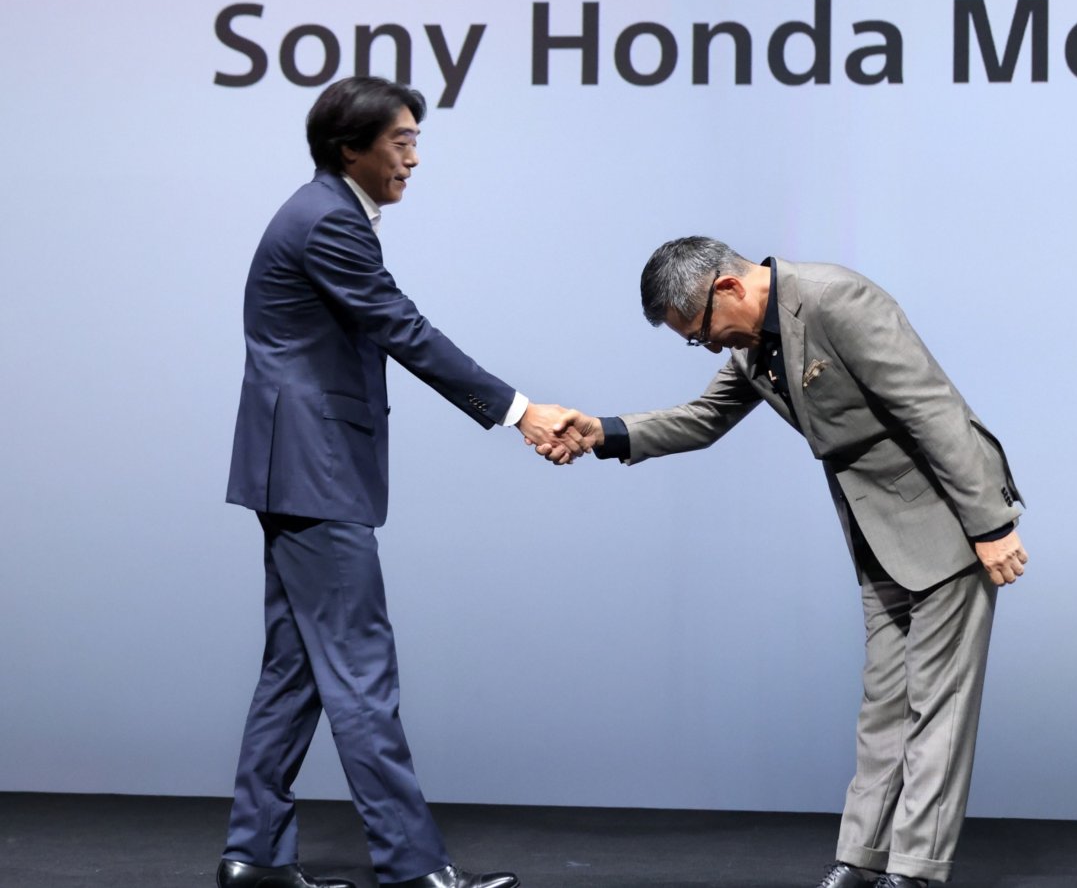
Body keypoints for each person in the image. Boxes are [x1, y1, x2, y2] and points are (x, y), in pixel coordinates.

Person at [547, 237, 1028, 887]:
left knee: (937, 705)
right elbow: (704, 419)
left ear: (727, 288)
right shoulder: (754, 345)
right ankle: (861, 860)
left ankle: (915, 871)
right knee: (884, 704)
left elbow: (931, 408)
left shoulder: (835, 300)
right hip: (876, 532)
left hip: (945, 519)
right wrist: (604, 432)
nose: (710, 347)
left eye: (702, 334)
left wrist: (990, 523)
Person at [220, 76, 577, 888]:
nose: (414, 158)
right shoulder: (327, 222)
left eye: (417, 141)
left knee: (296, 673)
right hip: (313, 470)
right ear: (351, 148)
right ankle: (414, 869)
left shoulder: (326, 213)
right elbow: (402, 327)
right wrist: (519, 411)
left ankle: (254, 856)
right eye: (402, 141)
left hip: (301, 469)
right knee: (359, 669)